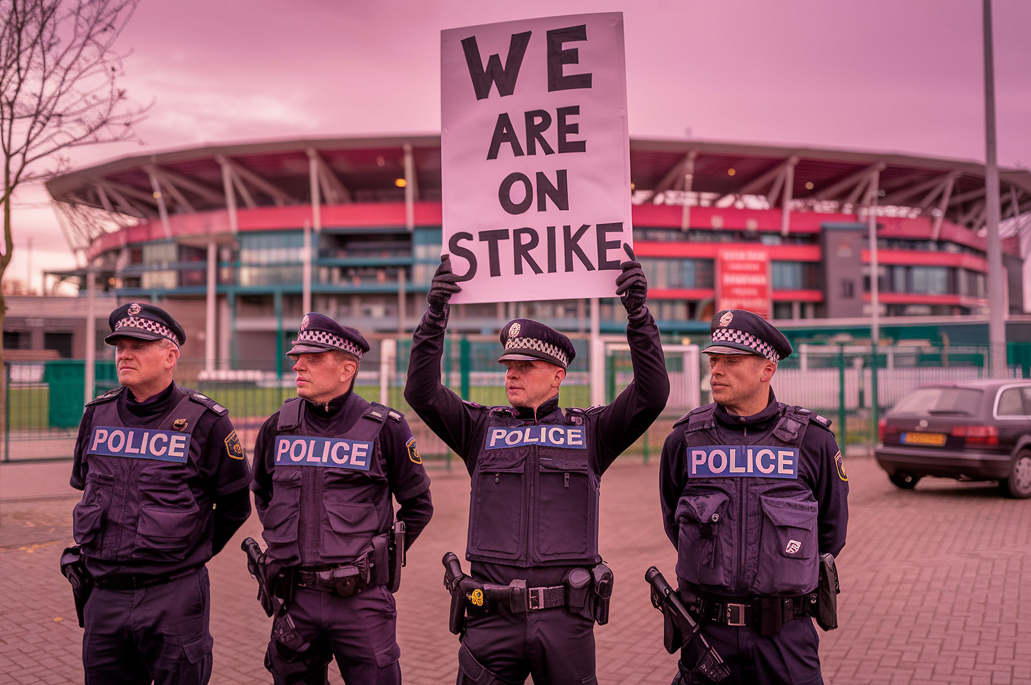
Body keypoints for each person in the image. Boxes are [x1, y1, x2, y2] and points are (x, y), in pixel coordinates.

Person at [404, 245, 670, 685]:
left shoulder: (591, 431)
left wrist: (639, 317)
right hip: (488, 619)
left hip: (565, 622)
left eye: (524, 366)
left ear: (557, 375)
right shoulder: (480, 427)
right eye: (508, 365)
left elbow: (651, 395)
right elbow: (422, 392)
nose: (511, 374)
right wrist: (434, 317)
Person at [64, 302, 252, 685]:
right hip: (105, 595)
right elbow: (86, 488)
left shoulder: (207, 421)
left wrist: (189, 551)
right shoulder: (96, 416)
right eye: (120, 346)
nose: (125, 354)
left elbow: (234, 505)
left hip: (174, 598)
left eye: (139, 345)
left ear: (171, 355)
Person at [658, 309, 849, 685]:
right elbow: (674, 522)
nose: (716, 371)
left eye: (732, 361)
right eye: (714, 360)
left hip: (785, 639)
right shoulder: (684, 440)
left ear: (767, 369)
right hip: (706, 635)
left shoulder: (813, 441)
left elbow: (831, 533)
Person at [250, 313, 433, 685]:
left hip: (361, 603)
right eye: (297, 357)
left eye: (313, 358)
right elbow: (264, 494)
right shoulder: (277, 427)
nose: (298, 365)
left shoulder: (386, 428)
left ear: (347, 368)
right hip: (294, 599)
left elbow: (418, 505)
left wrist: (381, 558)